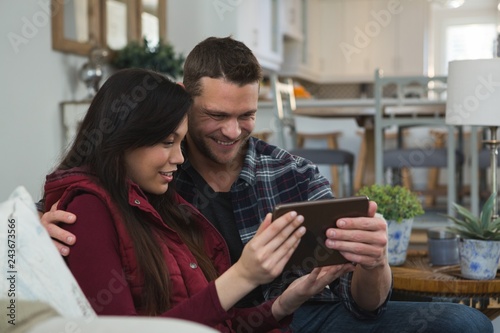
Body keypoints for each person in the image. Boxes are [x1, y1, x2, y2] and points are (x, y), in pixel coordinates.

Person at [41, 38, 493, 332]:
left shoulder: (293, 174)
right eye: (216, 116)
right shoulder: (152, 179)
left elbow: (364, 307)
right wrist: (32, 237)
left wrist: (374, 265)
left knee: (462, 324)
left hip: (298, 316)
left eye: (247, 115)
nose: (233, 131)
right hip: (223, 321)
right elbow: (84, 200)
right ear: (183, 100)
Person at [41, 68, 352, 332]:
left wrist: (286, 301)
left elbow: (215, 322)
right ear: (123, 139)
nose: (179, 158)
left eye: (180, 142)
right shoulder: (88, 210)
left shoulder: (158, 205)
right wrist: (243, 275)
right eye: (167, 143)